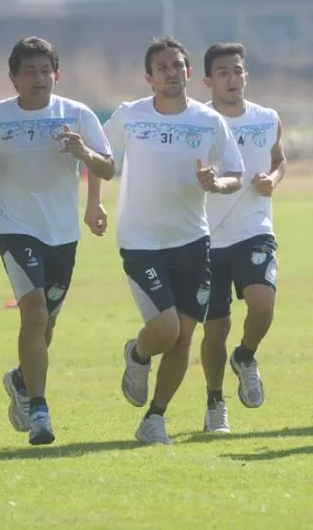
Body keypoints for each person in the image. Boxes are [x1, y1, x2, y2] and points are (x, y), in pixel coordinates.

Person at [0, 36, 115, 446]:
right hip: (15, 226)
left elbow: (108, 166)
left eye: (45, 70)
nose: (38, 78)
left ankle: (20, 378)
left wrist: (83, 155)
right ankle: (39, 412)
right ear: (13, 78)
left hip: (62, 233)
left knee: (45, 325)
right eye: (28, 71)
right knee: (32, 313)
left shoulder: (78, 114)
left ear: (57, 74)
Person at [105, 37, 245, 445]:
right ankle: (138, 354)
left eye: (178, 65)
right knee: (165, 329)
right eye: (162, 67)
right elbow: (101, 158)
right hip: (141, 240)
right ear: (149, 77)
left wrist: (217, 183)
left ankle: (155, 418)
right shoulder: (130, 116)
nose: (172, 72)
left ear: (188, 72)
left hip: (192, 241)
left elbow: (235, 174)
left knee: (184, 336)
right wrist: (95, 203)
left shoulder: (208, 121)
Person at [199, 43, 285, 433]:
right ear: (208, 80)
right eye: (222, 73)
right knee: (215, 328)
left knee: (262, 304)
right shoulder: (198, 121)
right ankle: (215, 402)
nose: (231, 79)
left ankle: (246, 356)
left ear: (246, 76)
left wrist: (274, 179)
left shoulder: (268, 118)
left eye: (237, 71)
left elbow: (279, 159)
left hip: (254, 228)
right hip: (205, 238)